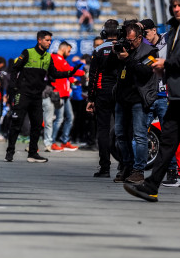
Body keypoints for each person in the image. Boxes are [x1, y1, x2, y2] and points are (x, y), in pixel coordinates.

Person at [124, 0, 180, 201]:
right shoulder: (173, 32)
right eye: (174, 5)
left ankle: (156, 182)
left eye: (179, 5)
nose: (176, 9)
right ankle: (151, 185)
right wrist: (163, 70)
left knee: (167, 139)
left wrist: (167, 64)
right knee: (167, 140)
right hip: (169, 95)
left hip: (170, 95)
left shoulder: (171, 36)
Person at [5, 30, 82, 163]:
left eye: (50, 40)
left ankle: (33, 153)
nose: (49, 42)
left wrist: (71, 72)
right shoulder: (28, 52)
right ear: (39, 40)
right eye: (47, 40)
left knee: (37, 125)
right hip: (23, 94)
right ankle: (10, 152)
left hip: (37, 96)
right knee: (16, 124)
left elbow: (55, 74)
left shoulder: (48, 57)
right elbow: (14, 69)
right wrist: (14, 87)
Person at [113, 22, 158, 183]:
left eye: (131, 40)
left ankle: (138, 170)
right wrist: (115, 54)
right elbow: (108, 68)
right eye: (127, 39)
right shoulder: (124, 49)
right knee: (119, 135)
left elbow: (144, 72)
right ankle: (127, 165)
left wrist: (128, 59)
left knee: (139, 136)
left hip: (139, 99)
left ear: (139, 38)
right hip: (121, 98)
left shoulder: (151, 52)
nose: (129, 43)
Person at [140, 18, 180, 186]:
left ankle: (171, 174)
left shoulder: (168, 39)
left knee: (168, 137)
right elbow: (143, 66)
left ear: (154, 30)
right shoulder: (145, 48)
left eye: (146, 33)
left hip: (167, 95)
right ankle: (141, 174)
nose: (145, 36)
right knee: (142, 133)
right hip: (151, 94)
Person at [86, 19, 121, 178]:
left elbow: (92, 77)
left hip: (102, 93)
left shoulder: (99, 50)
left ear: (104, 33)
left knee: (103, 131)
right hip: (121, 93)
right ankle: (124, 166)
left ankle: (105, 168)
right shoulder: (124, 48)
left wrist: (91, 99)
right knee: (122, 130)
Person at [50, 41, 86, 151]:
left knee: (70, 118)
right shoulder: (56, 59)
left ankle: (64, 141)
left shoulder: (61, 59)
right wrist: (83, 72)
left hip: (64, 94)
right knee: (60, 119)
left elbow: (66, 74)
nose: (69, 53)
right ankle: (52, 142)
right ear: (63, 49)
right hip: (59, 93)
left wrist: (72, 80)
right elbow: (69, 70)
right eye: (69, 51)